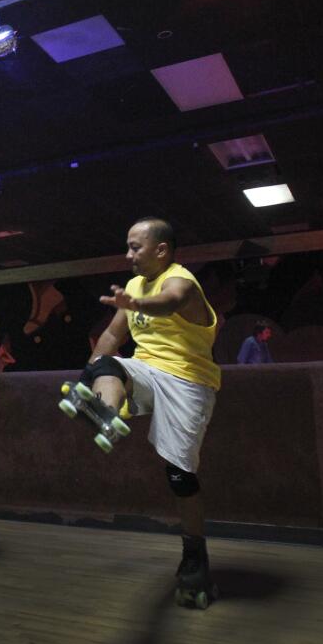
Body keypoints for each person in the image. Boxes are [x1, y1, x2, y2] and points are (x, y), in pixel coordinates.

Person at [72, 217, 221, 607]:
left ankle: (195, 553)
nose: (128, 255)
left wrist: (136, 303)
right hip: (147, 371)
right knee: (107, 362)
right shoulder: (135, 285)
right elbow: (111, 336)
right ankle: (105, 411)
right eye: (127, 246)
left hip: (189, 382)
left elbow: (169, 302)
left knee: (179, 475)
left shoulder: (182, 281)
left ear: (162, 250)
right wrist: (90, 371)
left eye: (136, 247)